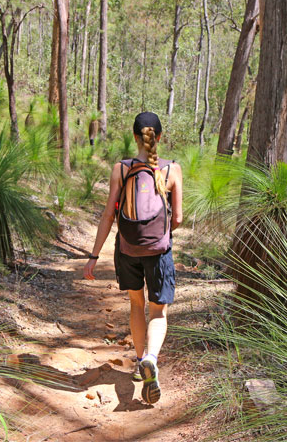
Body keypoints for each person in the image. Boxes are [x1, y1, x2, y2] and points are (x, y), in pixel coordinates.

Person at [83, 111, 183, 405]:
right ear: (160, 137)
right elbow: (177, 217)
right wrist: (160, 232)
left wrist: (93, 255)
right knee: (159, 311)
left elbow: (108, 214)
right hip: (159, 251)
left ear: (135, 137)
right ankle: (151, 357)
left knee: (136, 303)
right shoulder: (172, 170)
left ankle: (140, 361)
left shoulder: (122, 169)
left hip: (127, 248)